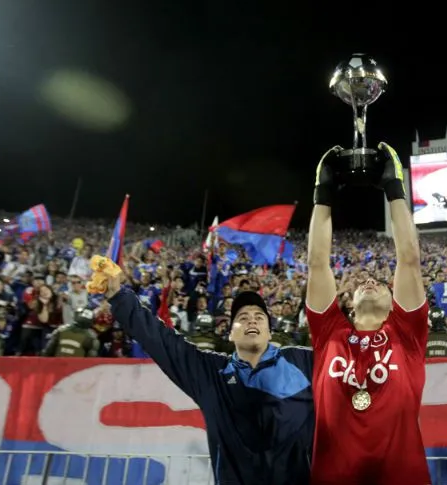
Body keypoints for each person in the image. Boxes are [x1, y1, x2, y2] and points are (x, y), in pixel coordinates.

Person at [102, 269, 314, 485]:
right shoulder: (211, 373)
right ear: (231, 334)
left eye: (259, 317)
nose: (252, 321)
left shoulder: (302, 362)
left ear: (270, 332)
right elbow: (162, 340)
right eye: (243, 317)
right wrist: (119, 297)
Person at [305, 142, 430, 485]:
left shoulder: (408, 333)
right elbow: (317, 263)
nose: (371, 281)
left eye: (381, 283)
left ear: (397, 303)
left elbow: (409, 259)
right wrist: (323, 194)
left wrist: (394, 189)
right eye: (362, 282)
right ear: (348, 302)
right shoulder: (328, 330)